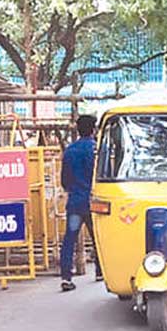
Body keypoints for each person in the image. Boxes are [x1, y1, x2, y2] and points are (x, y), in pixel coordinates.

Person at [59, 114, 101, 292]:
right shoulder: (96, 150)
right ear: (93, 130)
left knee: (70, 239)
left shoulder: (70, 150)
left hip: (75, 202)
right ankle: (100, 271)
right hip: (93, 202)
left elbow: (64, 180)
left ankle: (66, 277)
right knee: (98, 238)